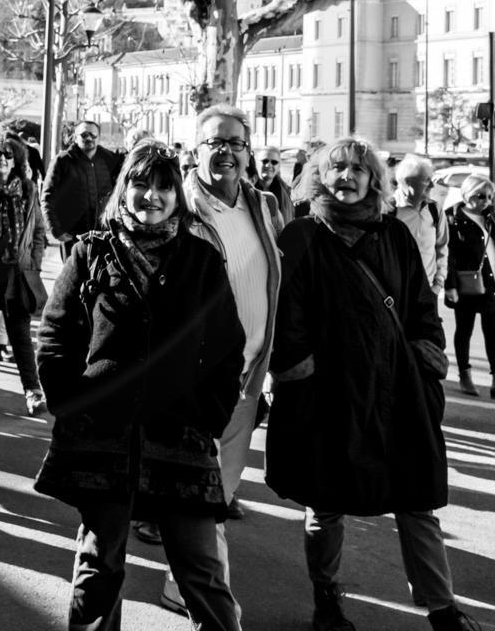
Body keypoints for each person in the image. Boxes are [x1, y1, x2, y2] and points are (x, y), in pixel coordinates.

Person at [266, 139, 478, 631]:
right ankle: (327, 598)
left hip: (397, 388)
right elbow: (287, 318)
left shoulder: (395, 235)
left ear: (373, 179)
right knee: (328, 504)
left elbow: (422, 309)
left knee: (415, 500)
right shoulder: (300, 236)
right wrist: (302, 374)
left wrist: (428, 363)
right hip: (331, 395)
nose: (346, 176)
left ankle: (442, 608)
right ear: (320, 174)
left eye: (357, 169)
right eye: (335, 167)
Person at [34, 140, 246, 631]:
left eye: (164, 186)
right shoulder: (91, 252)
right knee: (99, 564)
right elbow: (55, 336)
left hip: (182, 437)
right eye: (140, 184)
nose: (151, 196)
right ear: (123, 189)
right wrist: (73, 406)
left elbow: (227, 348)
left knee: (201, 570)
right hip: (101, 436)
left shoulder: (200, 260)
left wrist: (208, 415)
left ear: (177, 195)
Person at [147, 105, 283, 616]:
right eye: (214, 143)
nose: (225, 152)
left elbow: (274, 279)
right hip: (195, 374)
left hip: (248, 372)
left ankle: (181, 582)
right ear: (195, 150)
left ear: (249, 151)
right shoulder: (176, 205)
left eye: (235, 144)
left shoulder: (265, 204)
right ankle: (200, 595)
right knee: (199, 490)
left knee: (219, 489)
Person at [0, 137, 48, 415]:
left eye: (7, 154)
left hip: (18, 274)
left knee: (20, 334)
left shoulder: (27, 190)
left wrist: (33, 263)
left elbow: (38, 231)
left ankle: (33, 391)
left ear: (16, 161)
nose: (1, 158)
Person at [42, 110, 125, 260]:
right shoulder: (62, 161)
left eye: (93, 135)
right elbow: (47, 198)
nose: (89, 138)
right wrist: (56, 230)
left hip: (104, 236)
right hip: (73, 238)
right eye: (84, 135)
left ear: (99, 138)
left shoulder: (110, 161)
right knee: (73, 281)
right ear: (75, 137)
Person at [444, 173, 495, 398]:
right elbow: (447, 254)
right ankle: (465, 375)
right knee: (464, 331)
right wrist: (450, 285)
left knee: (493, 333)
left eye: (490, 196)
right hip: (466, 283)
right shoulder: (452, 218)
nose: (486, 201)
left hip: (492, 282)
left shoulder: (491, 216)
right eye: (480, 196)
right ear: (466, 194)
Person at [394, 154, 449, 298]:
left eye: (432, 180)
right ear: (407, 182)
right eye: (426, 180)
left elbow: (442, 247)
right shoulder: (388, 210)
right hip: (397, 292)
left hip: (428, 291)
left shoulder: (434, 209)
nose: (432, 185)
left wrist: (438, 284)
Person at [257, 145, 295, 227]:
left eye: (274, 162)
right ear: (257, 163)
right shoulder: (247, 188)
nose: (268, 165)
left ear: (279, 166)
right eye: (264, 161)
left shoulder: (287, 192)